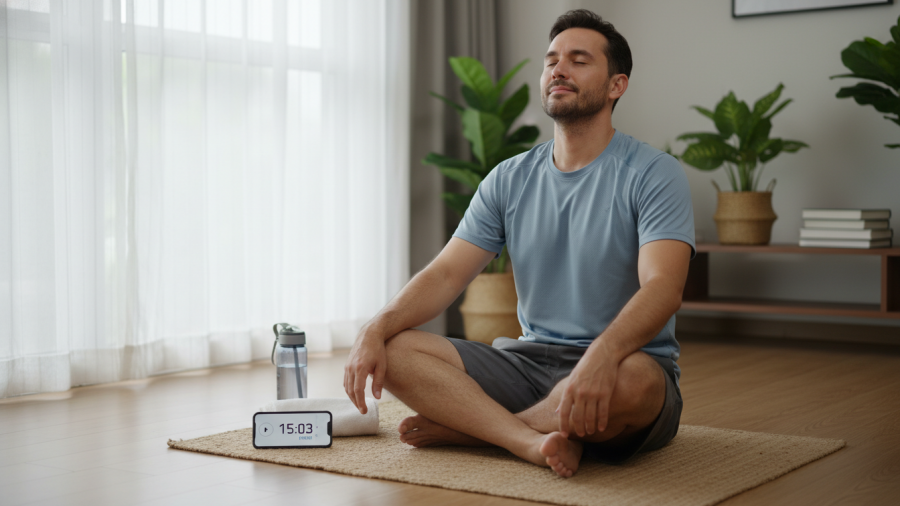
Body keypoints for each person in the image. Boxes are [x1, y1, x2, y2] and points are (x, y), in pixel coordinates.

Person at [344, 9, 694, 478]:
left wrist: (602, 357)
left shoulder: (653, 174)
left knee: (634, 384)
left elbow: (663, 288)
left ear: (617, 85)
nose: (558, 69)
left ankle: (476, 431)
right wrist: (373, 328)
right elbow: (446, 274)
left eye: (578, 60)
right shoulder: (508, 178)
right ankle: (527, 439)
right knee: (398, 348)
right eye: (551, 60)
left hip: (624, 364)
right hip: (526, 365)